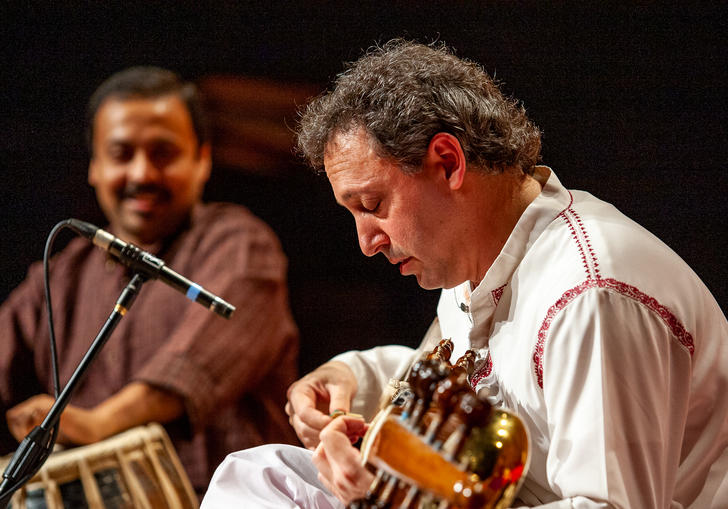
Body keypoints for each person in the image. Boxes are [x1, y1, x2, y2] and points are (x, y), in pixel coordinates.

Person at [201, 40, 728, 508]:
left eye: (372, 204)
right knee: (257, 479)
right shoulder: (478, 258)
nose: (366, 243)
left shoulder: (590, 293)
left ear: (448, 162)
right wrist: (352, 381)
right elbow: (474, 376)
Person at [0, 66, 300, 495]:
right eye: (121, 154)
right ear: (95, 167)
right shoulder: (63, 272)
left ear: (202, 160)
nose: (141, 174)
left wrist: (97, 424)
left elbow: (194, 366)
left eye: (163, 153)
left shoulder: (239, 243)